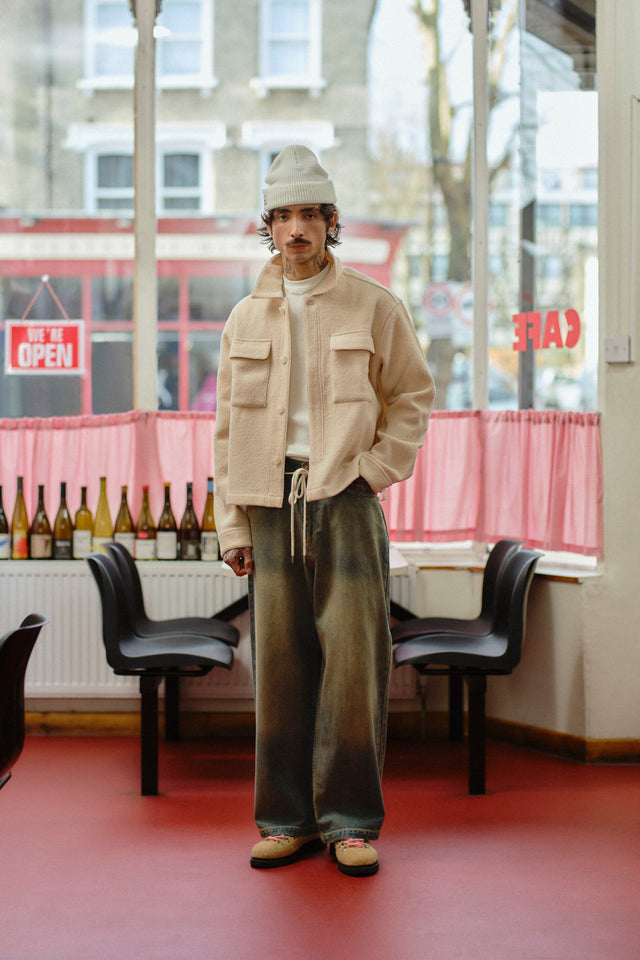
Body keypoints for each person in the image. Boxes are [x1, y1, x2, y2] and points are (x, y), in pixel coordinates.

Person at [213, 145, 435, 877]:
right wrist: (233, 525)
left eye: (310, 214)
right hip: (269, 503)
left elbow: (412, 397)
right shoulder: (245, 317)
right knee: (279, 667)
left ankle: (350, 822)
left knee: (354, 666)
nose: (297, 228)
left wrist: (374, 471)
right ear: (269, 226)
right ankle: (286, 820)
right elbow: (227, 429)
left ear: (331, 221)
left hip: (346, 500)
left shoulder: (374, 305)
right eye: (283, 216)